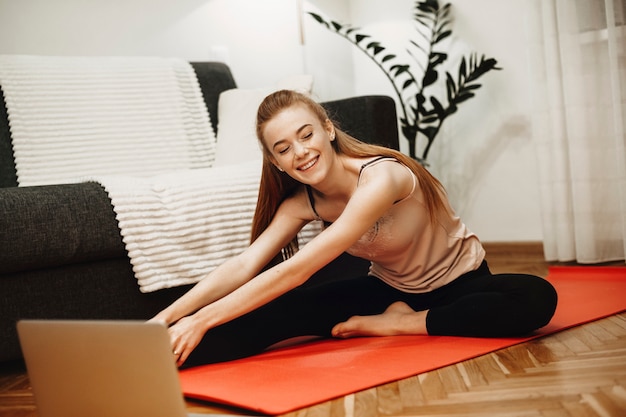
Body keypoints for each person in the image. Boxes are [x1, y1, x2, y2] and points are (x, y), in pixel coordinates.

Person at [151, 90, 558, 368]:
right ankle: (151, 358)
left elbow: (297, 270)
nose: (301, 152)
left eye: (306, 134)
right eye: (283, 148)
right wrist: (169, 321)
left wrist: (202, 318)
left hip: (462, 282)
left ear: (327, 129)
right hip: (389, 291)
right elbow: (244, 265)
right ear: (276, 162)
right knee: (270, 314)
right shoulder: (302, 203)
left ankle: (404, 323)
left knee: (536, 297)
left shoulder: (383, 178)